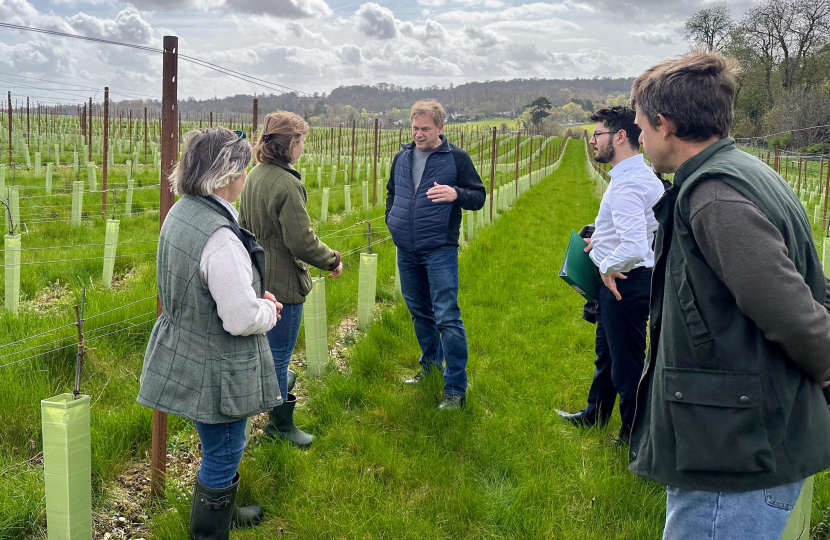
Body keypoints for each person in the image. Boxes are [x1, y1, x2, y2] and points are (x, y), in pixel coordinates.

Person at [627, 51, 830, 540]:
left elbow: (793, 314)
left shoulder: (716, 197)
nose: (637, 137)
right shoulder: (740, 172)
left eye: (640, 125)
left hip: (736, 450)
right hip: (732, 432)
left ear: (664, 123)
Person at [137, 127, 281, 539]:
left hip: (187, 345)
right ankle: (209, 533)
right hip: (217, 363)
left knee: (217, 442)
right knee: (225, 449)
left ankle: (223, 512)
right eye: (245, 169)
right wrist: (266, 310)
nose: (247, 177)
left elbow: (209, 286)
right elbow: (238, 318)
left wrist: (250, 294)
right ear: (228, 172)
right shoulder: (219, 236)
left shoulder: (184, 210)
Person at [555, 106, 665, 443]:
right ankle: (594, 414)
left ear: (620, 137)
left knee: (627, 365)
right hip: (626, 279)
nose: (591, 141)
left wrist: (605, 266)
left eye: (598, 134)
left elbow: (633, 247)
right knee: (607, 354)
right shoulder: (636, 175)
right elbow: (640, 231)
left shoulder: (628, 185)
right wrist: (599, 240)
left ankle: (634, 436)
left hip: (623, 283)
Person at [239, 111, 342, 448]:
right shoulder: (287, 183)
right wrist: (331, 260)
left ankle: (277, 383)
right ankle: (280, 428)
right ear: (292, 143)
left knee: (268, 353)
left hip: (257, 277)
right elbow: (301, 240)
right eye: (301, 141)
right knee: (279, 357)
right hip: (284, 283)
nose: (303, 147)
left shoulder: (256, 174)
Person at [386, 100, 486, 410]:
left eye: (425, 129)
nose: (418, 134)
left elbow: (479, 196)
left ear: (440, 129)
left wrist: (457, 194)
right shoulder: (402, 157)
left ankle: (455, 388)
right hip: (406, 249)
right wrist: (392, 220)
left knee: (447, 317)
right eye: (415, 128)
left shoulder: (456, 158)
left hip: (439, 249)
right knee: (419, 312)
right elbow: (392, 192)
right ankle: (430, 368)